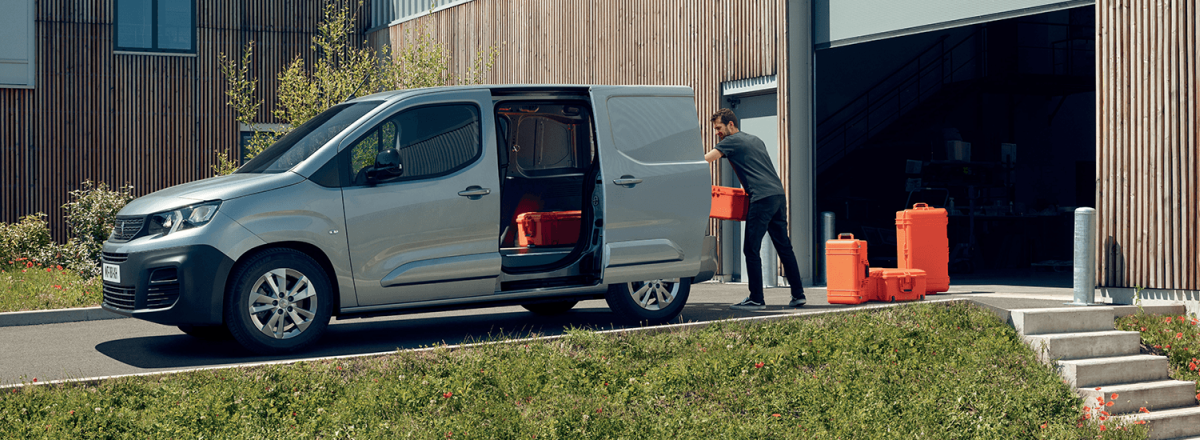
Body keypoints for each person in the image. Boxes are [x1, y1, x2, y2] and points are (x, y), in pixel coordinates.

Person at [704, 108, 806, 310]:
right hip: (777, 195)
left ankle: (756, 299)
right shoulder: (755, 140)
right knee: (784, 247)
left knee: (750, 249)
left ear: (730, 124)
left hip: (761, 197)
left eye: (718, 128)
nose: (717, 132)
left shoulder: (730, 141)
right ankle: (798, 295)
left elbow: (705, 159)